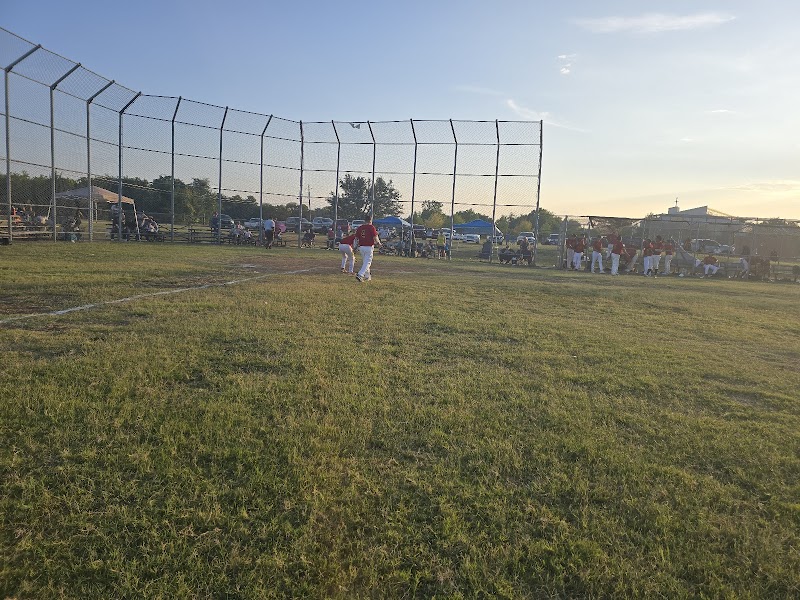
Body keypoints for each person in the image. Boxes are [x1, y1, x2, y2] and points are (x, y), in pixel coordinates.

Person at [355, 216, 382, 282]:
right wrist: (378, 243)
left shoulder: (360, 227)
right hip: (368, 247)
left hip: (361, 247)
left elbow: (356, 238)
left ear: (365, 220)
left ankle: (367, 276)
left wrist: (355, 246)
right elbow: (375, 236)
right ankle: (360, 274)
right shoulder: (371, 227)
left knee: (365, 262)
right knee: (368, 263)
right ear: (370, 220)